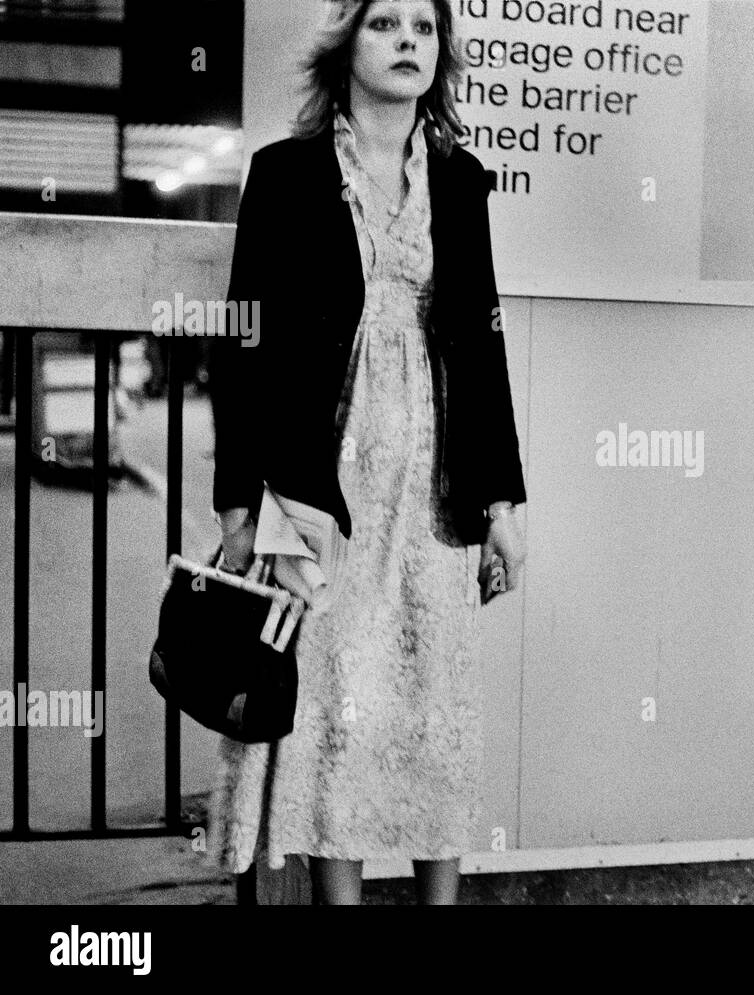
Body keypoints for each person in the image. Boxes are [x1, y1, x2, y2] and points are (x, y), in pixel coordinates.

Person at [204, 0, 527, 905]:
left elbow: (485, 343)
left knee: (432, 699)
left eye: (423, 31)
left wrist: (505, 505)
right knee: (330, 697)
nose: (408, 44)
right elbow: (246, 342)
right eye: (387, 26)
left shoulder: (461, 182)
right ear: (345, 48)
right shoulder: (284, 174)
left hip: (437, 479)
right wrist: (238, 503)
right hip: (320, 476)